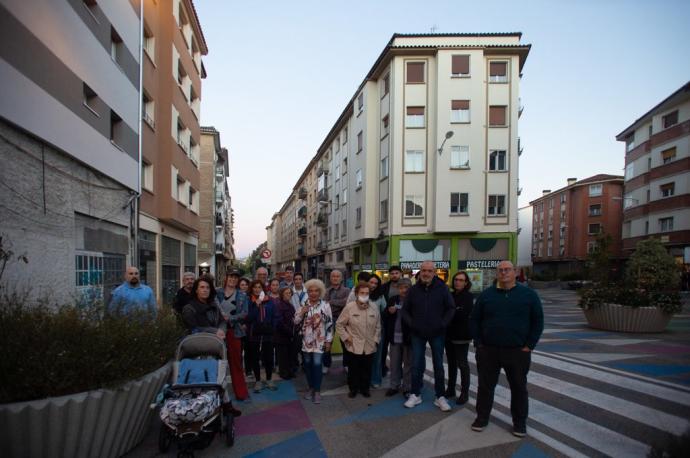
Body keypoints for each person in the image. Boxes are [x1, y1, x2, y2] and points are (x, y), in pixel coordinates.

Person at [470, 260, 544, 437]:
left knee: (518, 387)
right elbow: (474, 320)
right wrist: (479, 343)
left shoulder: (528, 295)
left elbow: (538, 321)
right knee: (485, 387)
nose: (504, 273)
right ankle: (482, 418)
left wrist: (529, 345)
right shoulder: (486, 295)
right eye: (500, 270)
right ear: (497, 273)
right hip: (488, 350)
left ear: (516, 272)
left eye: (507, 270)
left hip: (517, 351)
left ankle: (519, 423)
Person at [181, 277, 241, 417]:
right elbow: (193, 328)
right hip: (198, 349)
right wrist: (214, 332)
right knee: (203, 378)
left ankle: (226, 405)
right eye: (202, 287)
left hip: (216, 346)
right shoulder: (189, 308)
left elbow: (222, 321)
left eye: (207, 287)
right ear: (196, 290)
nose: (205, 290)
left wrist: (221, 331)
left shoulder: (214, 305)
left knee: (221, 377)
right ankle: (200, 407)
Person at [401, 261, 455, 412]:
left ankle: (440, 396)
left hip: (437, 333)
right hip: (417, 333)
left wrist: (442, 324)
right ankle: (415, 394)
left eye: (429, 271)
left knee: (438, 365)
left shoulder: (442, 288)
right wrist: (413, 324)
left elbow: (451, 308)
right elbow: (405, 311)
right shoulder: (413, 290)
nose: (426, 273)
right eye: (423, 270)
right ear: (420, 272)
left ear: (434, 272)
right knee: (416, 364)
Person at [336, 283, 381, 398]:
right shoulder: (349, 307)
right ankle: (353, 389)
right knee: (353, 369)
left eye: (367, 293)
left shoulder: (374, 307)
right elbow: (339, 324)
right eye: (362, 293)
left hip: (369, 344)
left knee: (367, 368)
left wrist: (376, 340)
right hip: (354, 344)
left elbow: (378, 326)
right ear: (356, 294)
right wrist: (346, 337)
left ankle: (365, 388)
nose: (364, 295)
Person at [294, 279, 333, 404]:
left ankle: (317, 391)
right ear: (308, 292)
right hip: (306, 341)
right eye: (310, 291)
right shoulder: (303, 304)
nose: (313, 293)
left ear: (320, 292)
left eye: (316, 291)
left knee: (317, 365)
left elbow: (330, 324)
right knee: (307, 366)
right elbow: (295, 321)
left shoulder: (325, 305)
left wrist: (328, 341)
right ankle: (311, 388)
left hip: (320, 341)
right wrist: (301, 313)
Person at [216, 269, 249, 401]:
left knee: (236, 363)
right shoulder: (217, 293)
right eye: (231, 277)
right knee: (217, 363)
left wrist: (230, 319)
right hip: (218, 332)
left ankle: (241, 393)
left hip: (234, 332)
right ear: (226, 277)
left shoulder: (242, 295)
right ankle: (217, 395)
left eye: (236, 278)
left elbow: (245, 313)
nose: (233, 280)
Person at [445, 271, 474, 405]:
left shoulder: (468, 296)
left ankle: (464, 393)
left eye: (461, 280)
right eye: (456, 279)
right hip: (449, 334)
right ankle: (451, 389)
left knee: (462, 364)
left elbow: (462, 314)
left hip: (462, 335)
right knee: (451, 363)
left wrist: (452, 312)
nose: (458, 282)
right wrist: (454, 310)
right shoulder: (450, 295)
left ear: (466, 283)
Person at [246, 279, 277, 392]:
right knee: (255, 358)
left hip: (268, 334)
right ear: (252, 289)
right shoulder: (249, 301)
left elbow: (275, 316)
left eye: (259, 287)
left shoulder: (270, 301)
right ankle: (258, 381)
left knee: (269, 358)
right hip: (254, 334)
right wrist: (256, 304)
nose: (257, 289)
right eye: (255, 287)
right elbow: (248, 318)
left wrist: (272, 327)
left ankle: (269, 379)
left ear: (263, 289)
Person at [384, 278, 412, 398]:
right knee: (394, 363)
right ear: (397, 289)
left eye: (406, 288)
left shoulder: (413, 300)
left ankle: (407, 388)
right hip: (394, 337)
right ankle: (394, 386)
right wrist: (389, 312)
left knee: (408, 365)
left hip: (408, 337)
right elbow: (385, 315)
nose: (403, 290)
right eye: (401, 288)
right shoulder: (392, 299)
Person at [323, 269, 350, 374]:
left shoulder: (347, 290)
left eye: (337, 276)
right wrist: (335, 304)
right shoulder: (326, 291)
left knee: (345, 342)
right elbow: (325, 305)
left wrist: (332, 302)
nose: (335, 278)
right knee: (327, 342)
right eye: (333, 276)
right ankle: (326, 364)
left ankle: (346, 364)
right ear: (330, 278)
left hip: (343, 320)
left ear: (341, 278)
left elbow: (345, 303)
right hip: (330, 319)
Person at [366, 274, 387, 388]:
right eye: (371, 282)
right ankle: (365, 379)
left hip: (377, 330)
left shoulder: (380, 296)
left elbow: (385, 310)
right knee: (364, 356)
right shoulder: (360, 294)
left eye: (376, 283)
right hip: (362, 331)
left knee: (377, 357)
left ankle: (376, 379)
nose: (373, 285)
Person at [274, 287, 296, 379]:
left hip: (289, 334)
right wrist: (289, 331)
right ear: (282, 294)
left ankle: (290, 371)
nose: (288, 294)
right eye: (286, 293)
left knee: (289, 354)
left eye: (290, 293)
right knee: (282, 356)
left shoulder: (290, 305)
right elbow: (279, 322)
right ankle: (284, 373)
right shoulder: (279, 305)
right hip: (281, 334)